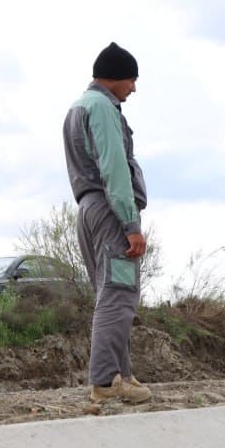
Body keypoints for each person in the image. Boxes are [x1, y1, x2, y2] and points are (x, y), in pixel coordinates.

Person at [62, 42, 152, 404]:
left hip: (88, 208)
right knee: (119, 295)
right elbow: (114, 167)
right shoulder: (102, 107)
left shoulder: (77, 107)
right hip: (109, 208)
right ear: (116, 76)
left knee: (112, 294)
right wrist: (130, 223)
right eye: (132, 79)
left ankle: (123, 376)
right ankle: (105, 380)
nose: (133, 88)